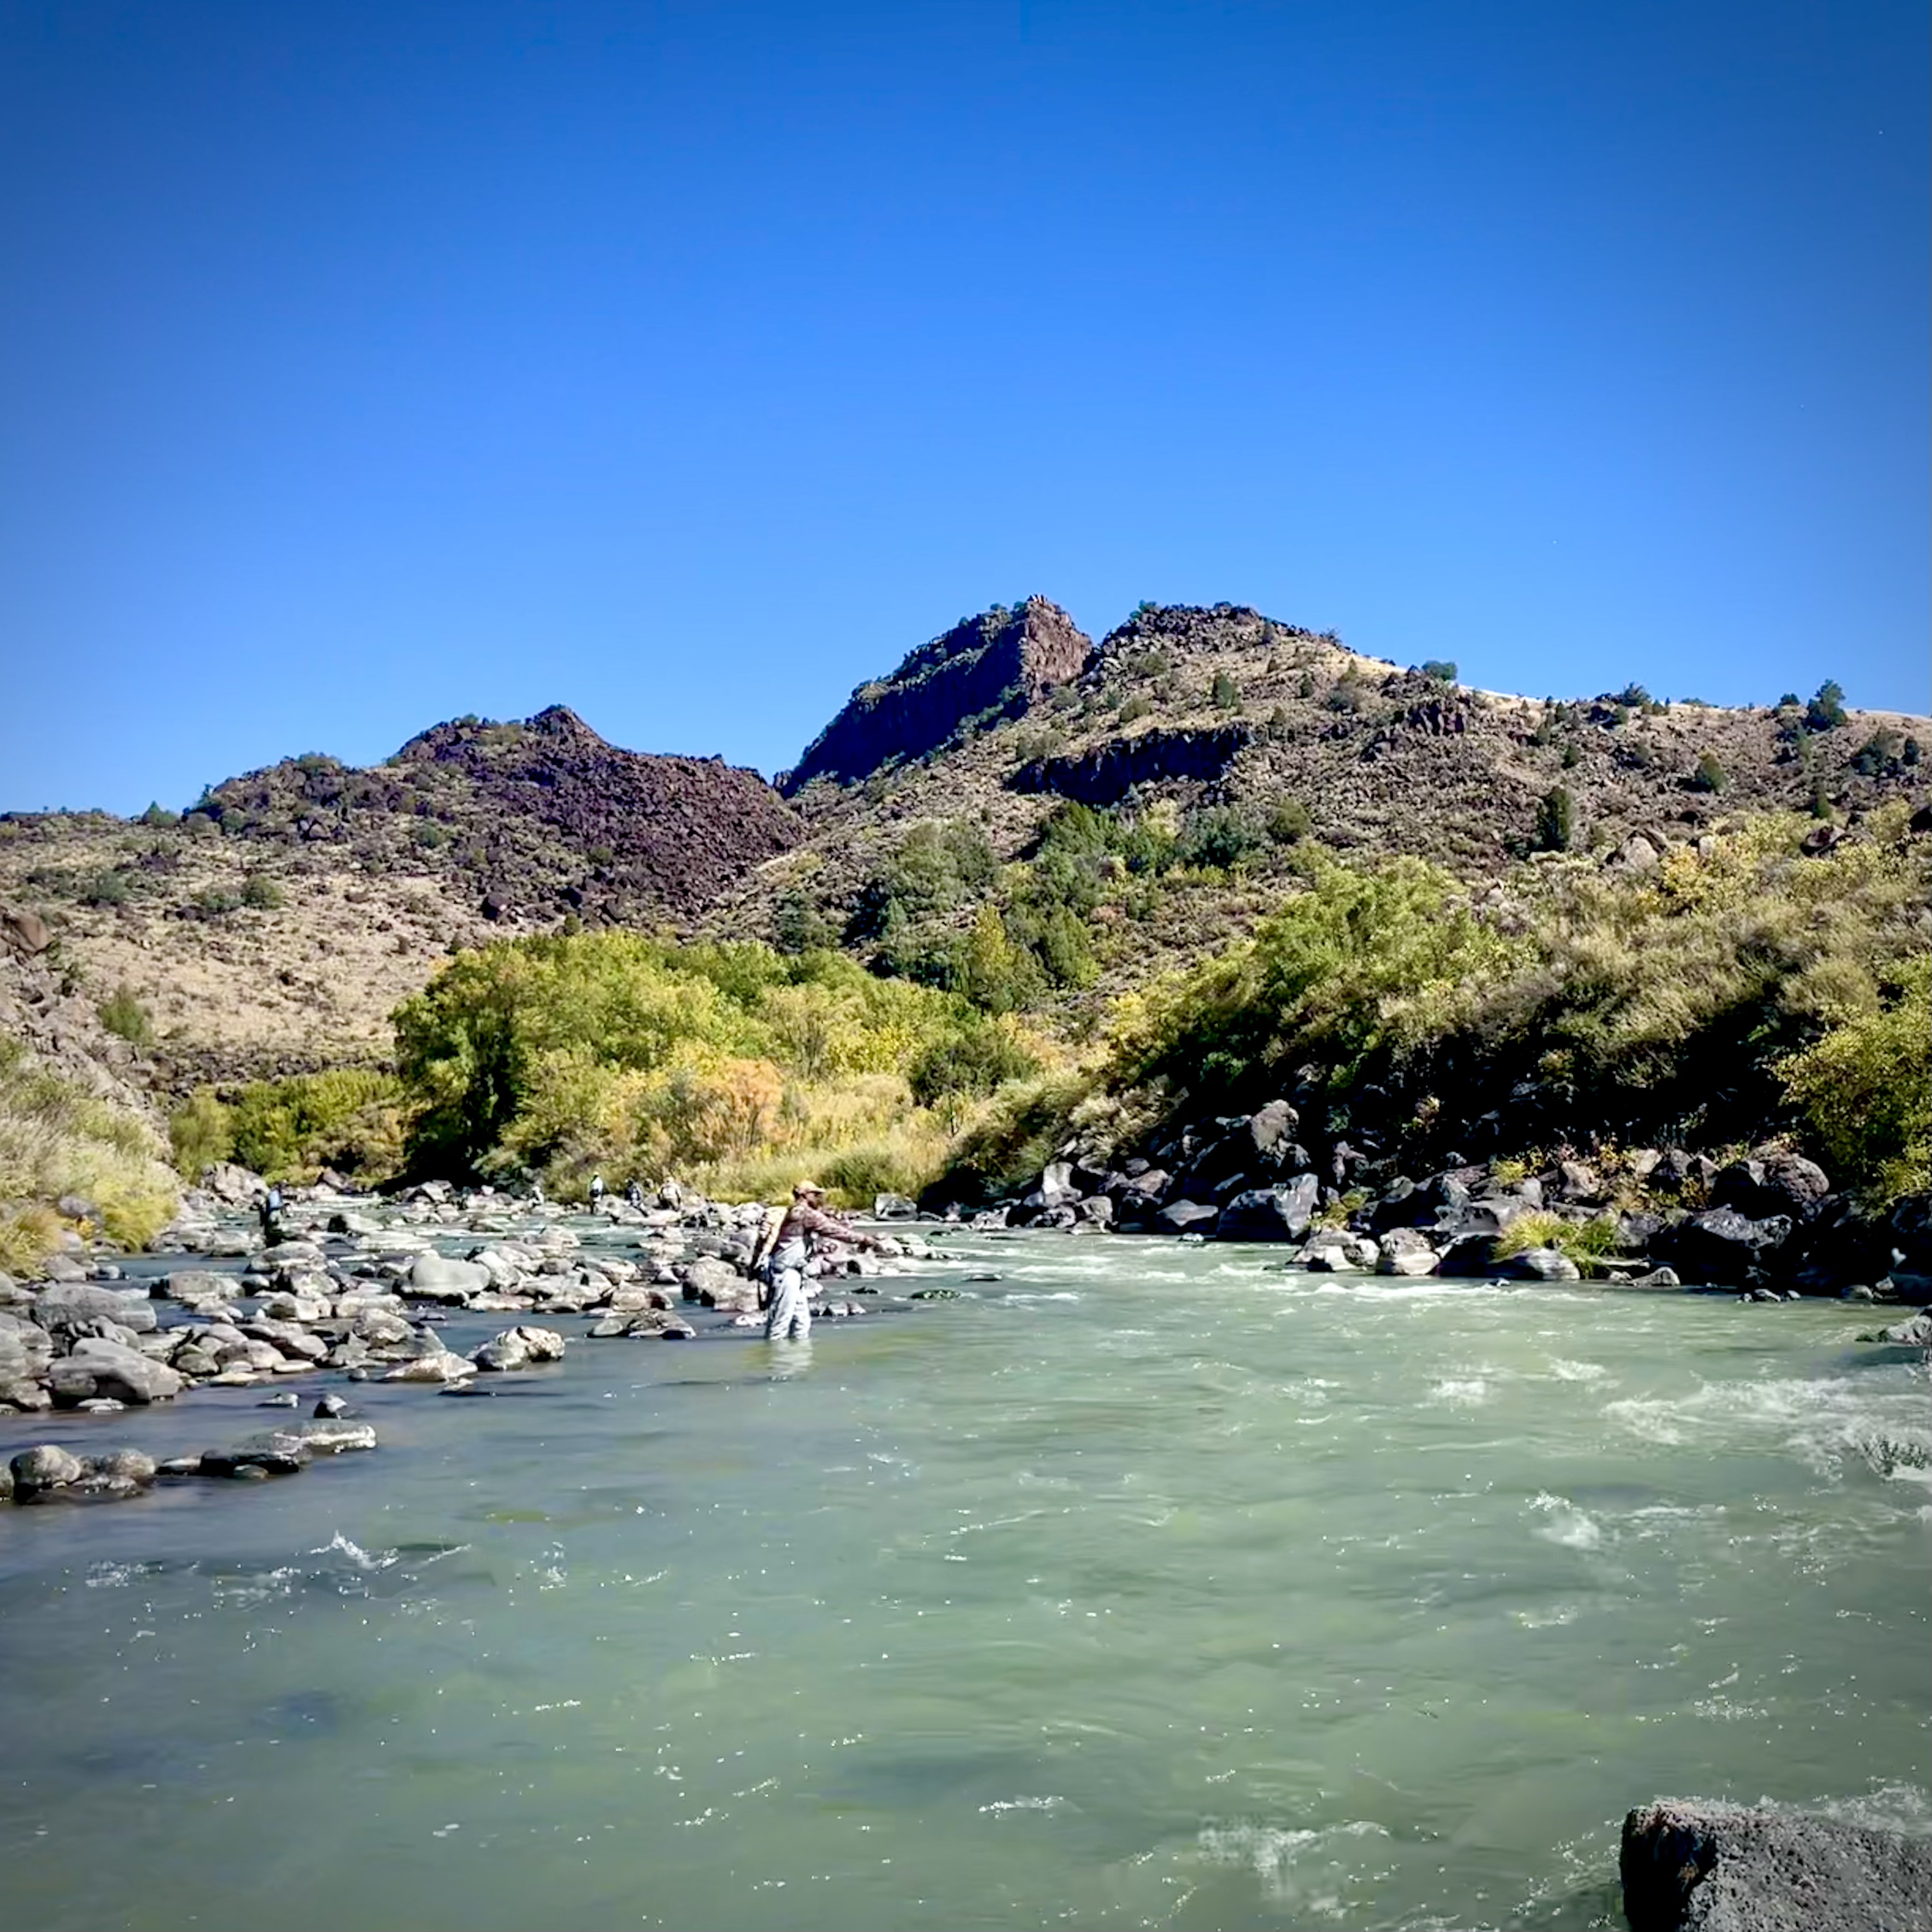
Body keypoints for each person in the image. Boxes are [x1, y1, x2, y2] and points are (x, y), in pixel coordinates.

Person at [753, 1182, 883, 1342]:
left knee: (802, 1323)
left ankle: (796, 1360)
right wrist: (863, 1239)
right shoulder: (802, 1213)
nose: (818, 1198)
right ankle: (773, 1360)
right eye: (815, 1194)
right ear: (804, 1195)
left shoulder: (797, 1213)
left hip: (794, 1273)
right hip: (785, 1274)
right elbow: (832, 1229)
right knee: (780, 1325)